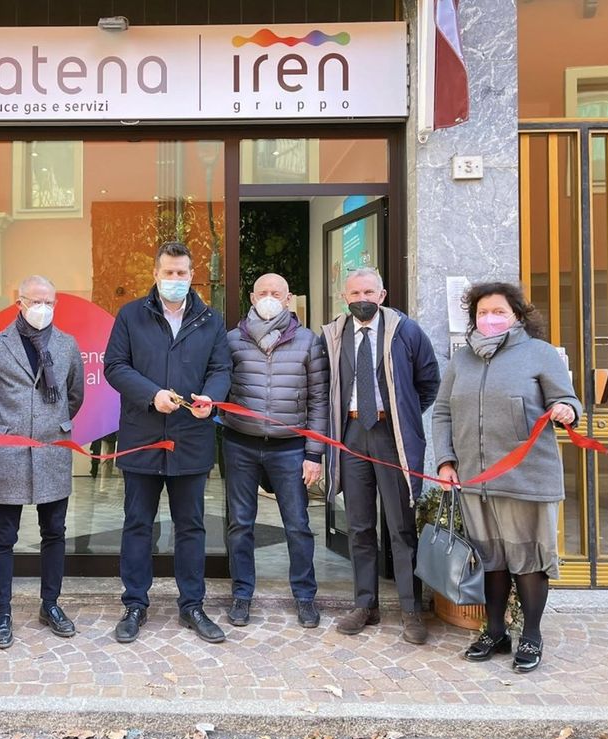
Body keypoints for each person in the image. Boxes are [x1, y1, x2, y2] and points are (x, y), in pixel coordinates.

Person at [433, 281, 581, 673]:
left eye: (498, 311)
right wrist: (446, 461)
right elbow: (443, 412)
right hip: (476, 481)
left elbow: (567, 399)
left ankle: (531, 635)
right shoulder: (462, 359)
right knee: (491, 560)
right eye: (483, 312)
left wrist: (567, 410)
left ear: (517, 315)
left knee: (528, 559)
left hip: (526, 478)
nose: (490, 318)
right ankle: (495, 632)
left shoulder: (539, 353)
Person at [104, 241, 231, 644]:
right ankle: (134, 604)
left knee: (191, 527)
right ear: (156, 274)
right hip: (142, 436)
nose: (175, 279)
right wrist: (151, 394)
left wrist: (211, 398)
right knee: (138, 525)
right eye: (168, 272)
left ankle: (192, 604)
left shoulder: (210, 319)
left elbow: (222, 368)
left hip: (191, 438)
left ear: (192, 275)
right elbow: (115, 366)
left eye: (181, 273)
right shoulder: (131, 315)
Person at [321, 267, 440, 644]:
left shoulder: (406, 331)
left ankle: (410, 609)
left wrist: (403, 414)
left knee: (401, 525)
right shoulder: (334, 334)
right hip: (352, 433)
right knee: (358, 525)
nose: (362, 299)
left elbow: (429, 381)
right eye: (355, 293)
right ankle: (365, 604)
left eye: (369, 292)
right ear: (344, 297)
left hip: (392, 435)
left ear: (382, 295)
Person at [0, 275, 85, 649]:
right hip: (9, 451)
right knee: (4, 535)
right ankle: (2, 611)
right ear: (19, 303)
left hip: (52, 449)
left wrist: (51, 424)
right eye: (36, 301)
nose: (43, 308)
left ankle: (50, 604)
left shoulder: (67, 345)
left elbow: (74, 395)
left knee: (54, 531)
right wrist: (9, 427)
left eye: (49, 302)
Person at [221, 273, 328, 628]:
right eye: (263, 292)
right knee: (240, 524)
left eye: (276, 293)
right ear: (252, 298)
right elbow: (220, 388)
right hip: (240, 443)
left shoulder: (308, 342)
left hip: (290, 448)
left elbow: (319, 401)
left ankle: (305, 596)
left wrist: (314, 454)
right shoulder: (232, 340)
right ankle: (241, 594)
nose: (269, 298)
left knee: (297, 525)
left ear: (287, 299)